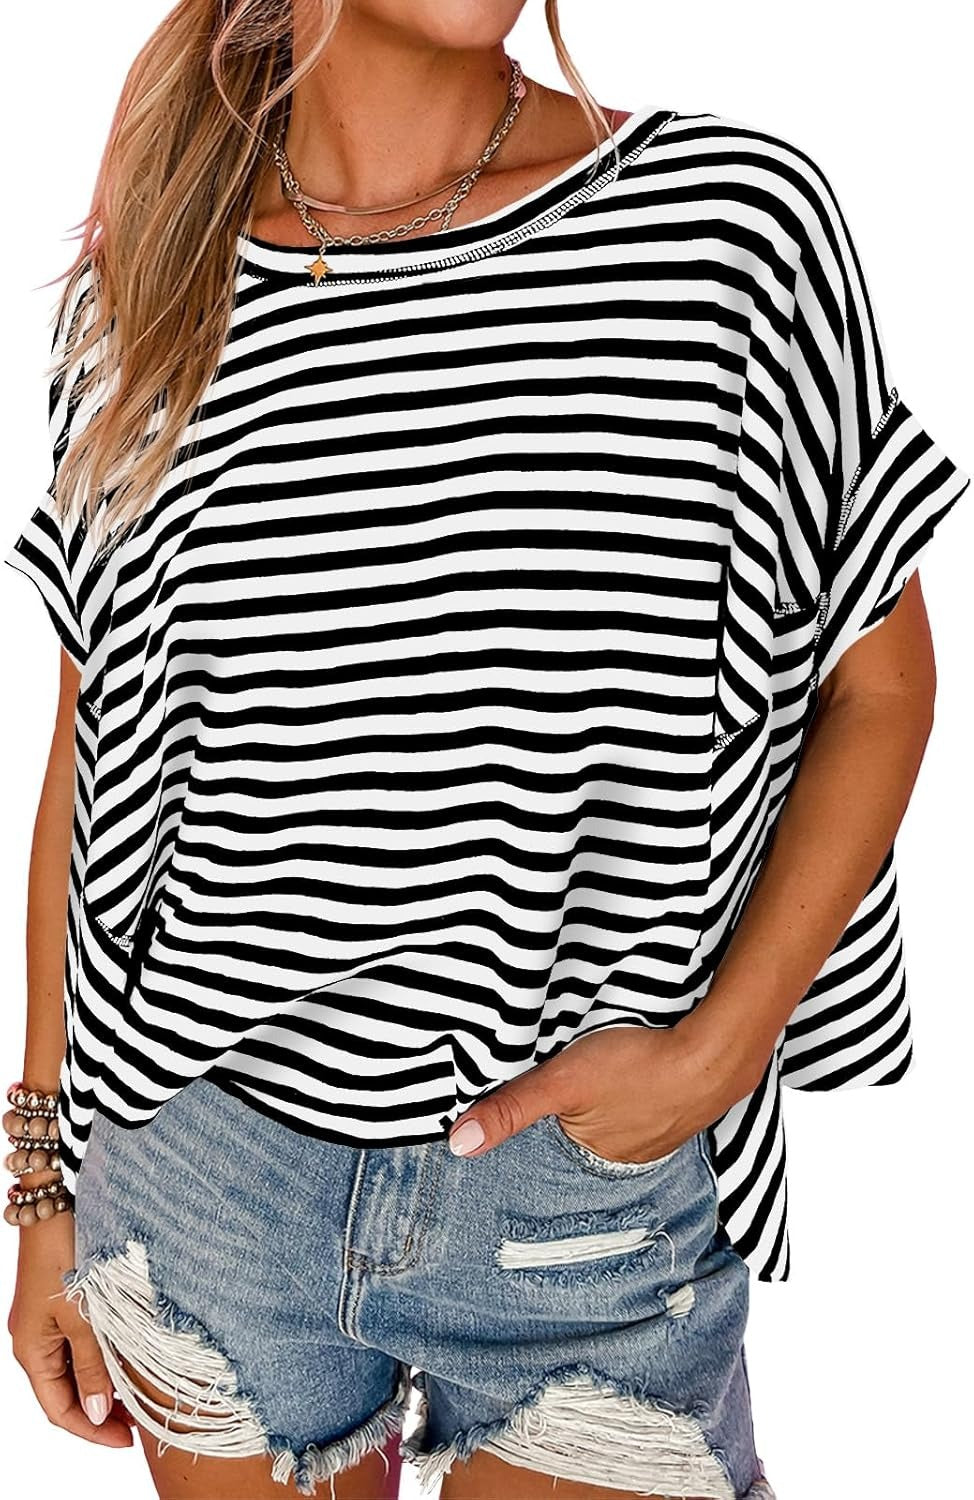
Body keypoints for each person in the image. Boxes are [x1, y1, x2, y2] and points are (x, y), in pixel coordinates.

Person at [3, 1, 969, 1498]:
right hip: (201, 1168)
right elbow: (100, 759)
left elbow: (878, 684)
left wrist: (717, 1053)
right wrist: (40, 1185)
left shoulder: (720, 230)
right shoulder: (157, 283)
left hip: (576, 1184)